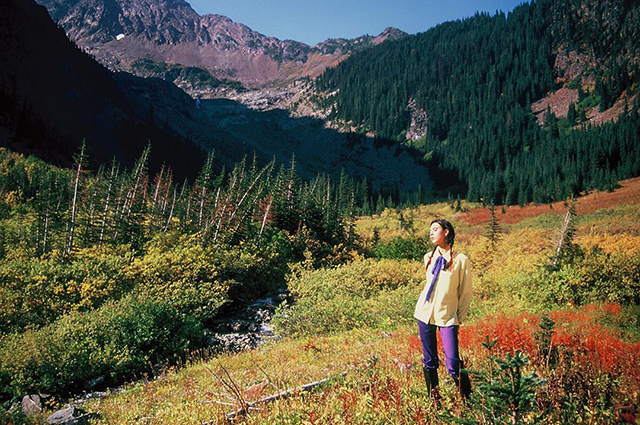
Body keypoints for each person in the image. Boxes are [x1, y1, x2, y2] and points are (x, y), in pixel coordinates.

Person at [414, 218, 473, 404]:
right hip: (424, 314)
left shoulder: (461, 260)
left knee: (453, 363)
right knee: (429, 360)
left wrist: (458, 317)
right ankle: (435, 401)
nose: (431, 233)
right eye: (430, 230)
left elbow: (466, 293)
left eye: (435, 229)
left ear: (446, 231)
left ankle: (467, 400)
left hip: (448, 317)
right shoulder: (428, 257)